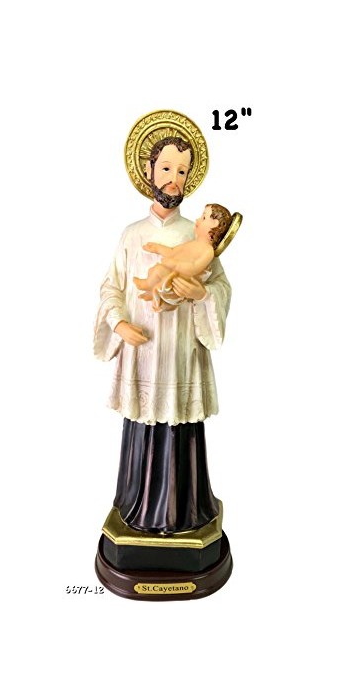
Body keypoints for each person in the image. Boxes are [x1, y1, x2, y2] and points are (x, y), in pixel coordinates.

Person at [93, 137, 232, 533]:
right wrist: (119, 323)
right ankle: (136, 506)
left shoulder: (200, 238)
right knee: (144, 426)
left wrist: (202, 295)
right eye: (166, 168)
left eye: (182, 171)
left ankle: (185, 511)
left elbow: (221, 288)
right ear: (149, 171)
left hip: (181, 353)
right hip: (143, 352)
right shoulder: (132, 235)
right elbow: (111, 287)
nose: (174, 179)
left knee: (180, 429)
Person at [132, 203, 234, 311]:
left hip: (179, 280)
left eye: (203, 218)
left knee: (158, 271)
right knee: (155, 271)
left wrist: (176, 265)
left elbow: (194, 267)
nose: (197, 220)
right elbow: (173, 251)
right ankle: (152, 293)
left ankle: (146, 285)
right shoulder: (194, 243)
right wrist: (158, 248)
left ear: (214, 224)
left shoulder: (208, 251)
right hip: (172, 273)